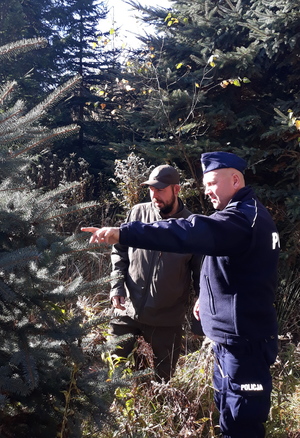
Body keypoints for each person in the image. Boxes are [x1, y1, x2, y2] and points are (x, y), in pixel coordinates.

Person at [82, 151, 280, 438]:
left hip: (244, 343)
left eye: (212, 183)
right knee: (228, 415)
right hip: (230, 341)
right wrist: (206, 299)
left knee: (243, 421)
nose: (207, 191)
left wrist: (123, 233)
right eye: (205, 184)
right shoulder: (242, 216)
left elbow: (187, 232)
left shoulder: (243, 219)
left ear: (235, 179)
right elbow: (227, 268)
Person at [106, 165, 201, 382]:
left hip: (166, 321)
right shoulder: (137, 213)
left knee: (161, 383)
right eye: (151, 189)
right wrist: (116, 286)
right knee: (115, 375)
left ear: (176, 189)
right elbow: (119, 252)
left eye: (160, 190)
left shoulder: (191, 227)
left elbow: (200, 273)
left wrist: (200, 308)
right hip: (126, 312)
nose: (154, 195)